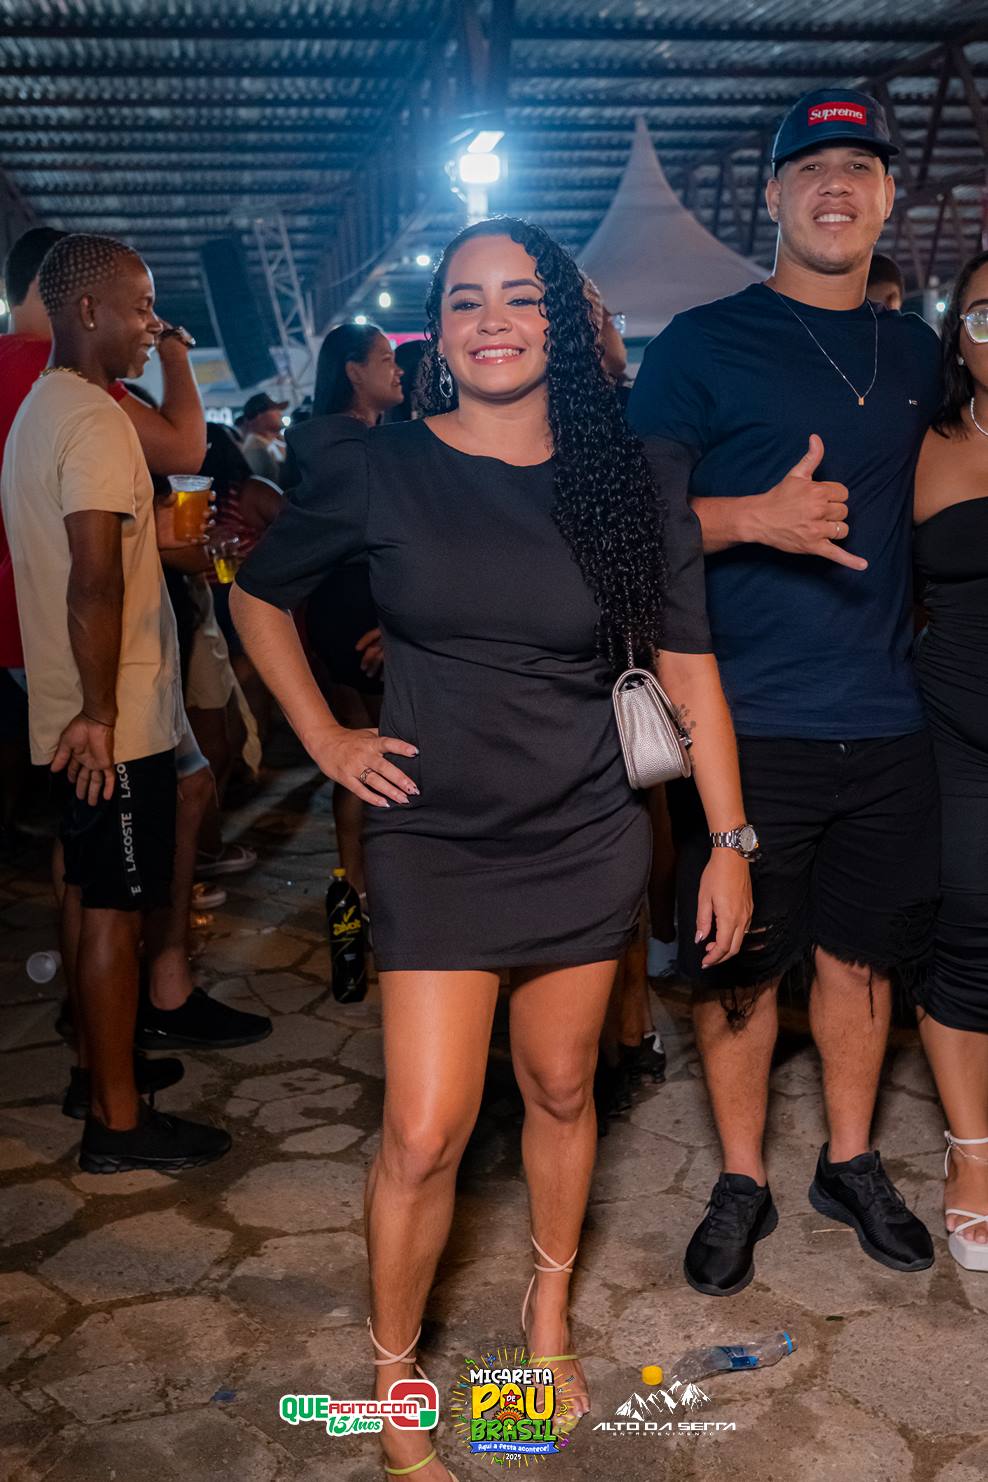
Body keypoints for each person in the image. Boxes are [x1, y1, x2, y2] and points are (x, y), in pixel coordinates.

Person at [232, 216, 753, 1480]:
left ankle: (545, 1313)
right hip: (433, 835)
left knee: (564, 1087)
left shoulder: (632, 475)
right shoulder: (379, 467)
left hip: (583, 826)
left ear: (559, 322)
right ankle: (394, 1374)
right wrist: (326, 738)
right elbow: (257, 595)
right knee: (424, 1129)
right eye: (466, 300)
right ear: (438, 332)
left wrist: (729, 841)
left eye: (520, 296)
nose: (493, 319)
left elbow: (689, 668)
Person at [628, 87, 941, 1296]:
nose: (834, 186)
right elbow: (626, 524)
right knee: (741, 967)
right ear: (771, 196)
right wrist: (751, 518)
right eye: (810, 169)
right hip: (744, 724)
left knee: (861, 962)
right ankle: (741, 1178)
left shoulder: (916, 354)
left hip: (889, 715)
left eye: (857, 167)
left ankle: (849, 1161)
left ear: (886, 197)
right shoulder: (701, 344)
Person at [0, 227, 269, 1096]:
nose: (155, 325)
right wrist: (100, 714)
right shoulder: (96, 417)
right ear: (88, 310)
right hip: (113, 712)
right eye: (143, 307)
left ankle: (99, 1070)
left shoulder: (45, 406)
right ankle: (117, 1117)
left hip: (77, 697)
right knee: (116, 907)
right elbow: (92, 578)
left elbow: (100, 549)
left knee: (90, 891)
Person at [913, 249, 988, 1270]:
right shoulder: (923, 446)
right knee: (968, 933)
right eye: (984, 314)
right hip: (956, 732)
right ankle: (971, 1151)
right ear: (958, 337)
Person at [302, 322, 402, 898]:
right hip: (363, 614)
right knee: (384, 750)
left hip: (340, 614)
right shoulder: (348, 446)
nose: (397, 369)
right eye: (385, 359)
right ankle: (372, 890)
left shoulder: (337, 440)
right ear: (353, 372)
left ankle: (353, 889)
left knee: (358, 750)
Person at [239, 391, 288, 483]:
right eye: (274, 409)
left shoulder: (270, 443)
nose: (280, 413)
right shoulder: (256, 448)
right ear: (259, 415)